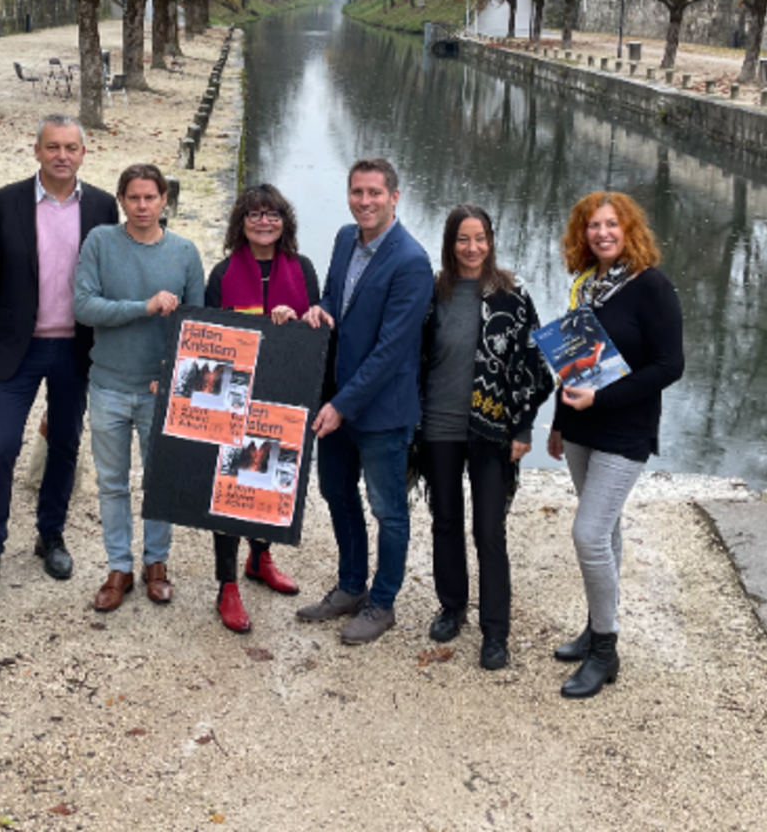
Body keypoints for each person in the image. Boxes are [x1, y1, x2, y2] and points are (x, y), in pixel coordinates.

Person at [0, 114, 120, 604]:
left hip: (76, 348)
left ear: (83, 153)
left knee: (66, 446)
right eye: (53, 147)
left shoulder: (101, 204)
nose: (62, 156)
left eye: (71, 147)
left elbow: (112, 277)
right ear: (37, 151)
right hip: (17, 348)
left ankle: (50, 534)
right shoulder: (5, 203)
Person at [547, 191, 684, 698]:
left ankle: (606, 650)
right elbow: (575, 362)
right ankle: (594, 625)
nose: (601, 234)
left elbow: (670, 367)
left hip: (625, 432)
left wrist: (599, 399)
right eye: (592, 226)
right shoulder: (586, 286)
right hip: (582, 429)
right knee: (607, 531)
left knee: (588, 534)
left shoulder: (652, 287)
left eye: (611, 225)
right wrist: (561, 421)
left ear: (630, 230)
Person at [299, 158, 433, 645]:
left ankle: (382, 603)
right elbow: (337, 298)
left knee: (388, 510)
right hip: (336, 402)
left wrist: (341, 406)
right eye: (357, 192)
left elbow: (390, 350)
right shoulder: (342, 239)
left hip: (379, 412)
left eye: (375, 193)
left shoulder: (411, 261)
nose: (365, 201)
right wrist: (322, 310)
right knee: (336, 494)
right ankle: (351, 586)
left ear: (395, 197)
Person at [420, 204, 554, 670]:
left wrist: (523, 426)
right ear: (450, 243)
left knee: (489, 530)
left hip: (493, 429)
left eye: (480, 239)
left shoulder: (513, 296)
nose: (472, 248)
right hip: (438, 423)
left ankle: (496, 631)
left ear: (491, 241)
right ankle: (452, 605)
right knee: (446, 520)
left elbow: (537, 367)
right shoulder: (434, 291)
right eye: (463, 239)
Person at [73, 163, 205, 612]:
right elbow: (84, 306)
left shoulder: (185, 252)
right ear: (122, 201)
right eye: (134, 198)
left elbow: (197, 326)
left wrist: (171, 374)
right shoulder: (100, 242)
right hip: (108, 383)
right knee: (112, 483)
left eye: (151, 197)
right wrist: (143, 307)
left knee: (159, 480)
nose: (143, 206)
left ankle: (157, 563)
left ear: (164, 200)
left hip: (158, 389)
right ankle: (119, 566)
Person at [204, 185, 321, 633]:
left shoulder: (303, 269)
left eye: (273, 214)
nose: (264, 221)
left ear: (284, 220)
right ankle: (227, 584)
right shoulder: (222, 273)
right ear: (242, 222)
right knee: (229, 486)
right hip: (234, 396)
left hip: (284, 388)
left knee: (270, 481)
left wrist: (303, 319)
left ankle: (260, 557)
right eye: (254, 214)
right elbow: (212, 336)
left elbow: (318, 327)